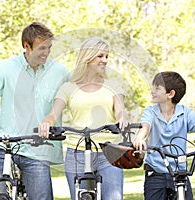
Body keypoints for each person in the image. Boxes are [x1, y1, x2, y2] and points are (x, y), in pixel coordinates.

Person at [0, 22, 69, 200]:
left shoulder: (60, 73)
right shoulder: (5, 68)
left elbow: (74, 101)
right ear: (27, 46)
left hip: (38, 150)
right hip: (5, 146)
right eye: (42, 48)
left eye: (49, 47)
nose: (47, 52)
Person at [38, 36, 128, 200]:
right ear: (87, 57)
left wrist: (122, 119)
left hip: (109, 152)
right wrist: (46, 122)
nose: (105, 60)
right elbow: (53, 114)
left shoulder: (113, 84)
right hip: (77, 152)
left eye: (106, 56)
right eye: (100, 56)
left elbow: (120, 110)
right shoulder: (68, 88)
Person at [133, 71, 195, 200]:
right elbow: (145, 126)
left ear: (170, 94)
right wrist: (140, 138)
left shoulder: (185, 113)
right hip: (155, 173)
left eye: (157, 88)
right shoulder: (150, 112)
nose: (152, 91)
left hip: (180, 173)